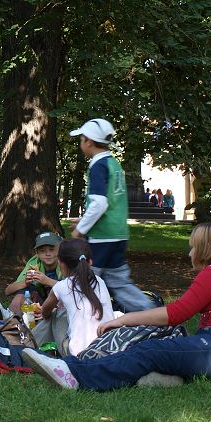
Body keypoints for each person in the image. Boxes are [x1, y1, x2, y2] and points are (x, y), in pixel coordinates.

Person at [23, 223, 211, 390]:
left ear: (207, 249)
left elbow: (176, 313)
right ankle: (72, 367)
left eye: (193, 247)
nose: (190, 253)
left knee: (149, 350)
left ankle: (76, 375)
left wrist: (123, 320)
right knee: (154, 350)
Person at [69, 118, 153, 311]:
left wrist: (80, 230)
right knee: (120, 282)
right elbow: (112, 203)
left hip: (101, 238)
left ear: (89, 141)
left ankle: (83, 318)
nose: (81, 143)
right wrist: (85, 220)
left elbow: (100, 203)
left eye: (81, 139)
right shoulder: (114, 164)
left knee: (85, 281)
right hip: (118, 234)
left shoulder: (97, 166)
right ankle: (151, 313)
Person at [40, 238, 114, 357]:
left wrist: (57, 307)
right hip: (110, 349)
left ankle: (35, 345)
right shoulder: (100, 281)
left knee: (57, 313)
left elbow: (44, 312)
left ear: (61, 263)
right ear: (90, 262)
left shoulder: (61, 286)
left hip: (79, 355)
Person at [0, 232, 63, 317]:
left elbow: (73, 289)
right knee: (25, 291)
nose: (48, 254)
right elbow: (7, 291)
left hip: (60, 305)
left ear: (59, 250)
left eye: (52, 249)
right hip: (38, 304)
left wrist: (48, 281)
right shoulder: (34, 264)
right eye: (42, 251)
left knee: (61, 294)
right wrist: (25, 283)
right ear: (37, 253)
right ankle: (12, 316)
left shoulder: (65, 262)